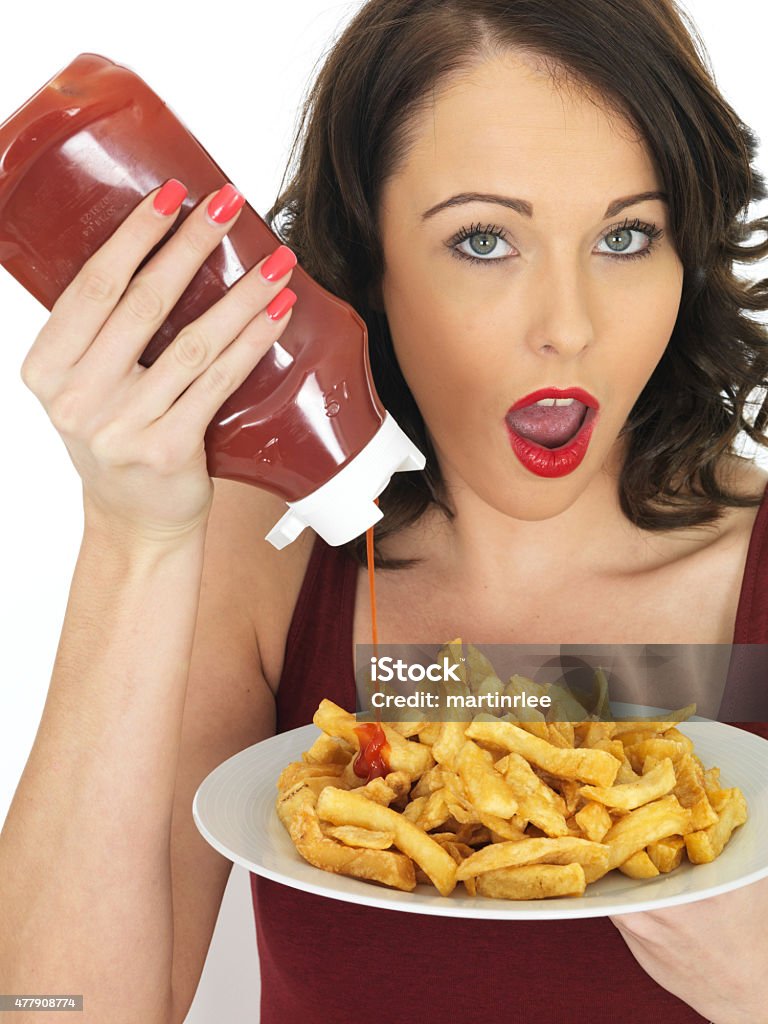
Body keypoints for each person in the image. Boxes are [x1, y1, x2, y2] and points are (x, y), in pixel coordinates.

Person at [1, 0, 767, 1021]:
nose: (570, 328)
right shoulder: (273, 558)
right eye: (485, 239)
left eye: (627, 234)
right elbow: (56, 1012)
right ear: (366, 260)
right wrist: (131, 536)